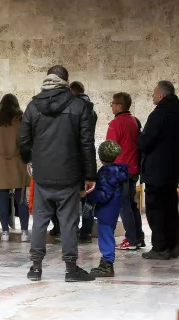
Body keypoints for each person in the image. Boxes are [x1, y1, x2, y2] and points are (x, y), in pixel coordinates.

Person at [19, 65, 97, 282]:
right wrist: (90, 175)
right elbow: (86, 143)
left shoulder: (33, 106)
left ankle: (35, 268)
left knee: (40, 222)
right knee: (69, 222)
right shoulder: (79, 105)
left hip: (43, 175)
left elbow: (23, 141)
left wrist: (31, 160)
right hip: (70, 175)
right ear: (66, 81)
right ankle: (71, 270)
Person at [50, 81, 98, 240]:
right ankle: (86, 232)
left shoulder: (75, 109)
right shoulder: (91, 110)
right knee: (86, 199)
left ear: (73, 92)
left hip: (73, 160)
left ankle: (70, 232)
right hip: (86, 159)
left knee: (70, 199)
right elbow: (88, 141)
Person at [138, 81, 179, 260]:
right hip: (173, 170)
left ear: (161, 95)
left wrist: (139, 137)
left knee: (156, 210)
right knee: (171, 208)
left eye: (154, 93)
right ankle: (174, 245)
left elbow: (146, 142)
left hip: (157, 171)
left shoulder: (159, 114)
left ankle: (160, 247)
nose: (152, 96)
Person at [106, 92, 145, 250]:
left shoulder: (116, 123)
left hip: (121, 169)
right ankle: (139, 237)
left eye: (113, 103)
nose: (111, 106)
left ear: (120, 106)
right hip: (134, 168)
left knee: (123, 204)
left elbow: (110, 148)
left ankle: (131, 239)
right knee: (131, 203)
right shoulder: (133, 121)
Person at [84, 141, 128, 277]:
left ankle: (107, 265)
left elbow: (104, 196)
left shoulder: (106, 173)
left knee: (105, 237)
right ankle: (106, 262)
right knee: (107, 235)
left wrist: (89, 193)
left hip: (106, 211)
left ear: (101, 158)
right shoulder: (118, 170)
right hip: (113, 209)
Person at [0, 94, 30, 242]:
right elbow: (26, 140)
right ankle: (24, 232)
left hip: (1, 163)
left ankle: (5, 232)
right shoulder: (21, 120)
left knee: (2, 197)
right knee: (21, 198)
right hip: (18, 161)